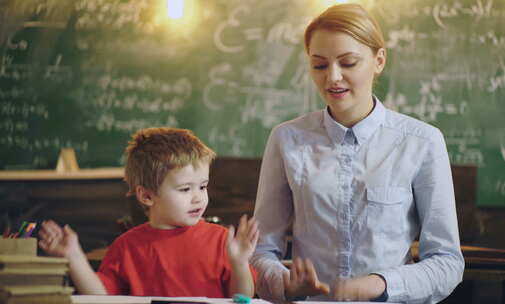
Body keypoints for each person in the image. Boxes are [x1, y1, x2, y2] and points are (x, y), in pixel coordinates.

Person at [250, 3, 464, 304]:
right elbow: (260, 250)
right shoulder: (287, 139)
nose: (332, 78)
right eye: (320, 65)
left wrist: (380, 284)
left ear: (379, 60)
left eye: (348, 63)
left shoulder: (422, 142)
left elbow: (447, 262)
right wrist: (285, 285)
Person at [39, 127, 259, 297]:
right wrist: (74, 257)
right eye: (185, 189)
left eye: (202, 186)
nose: (198, 197)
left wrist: (239, 263)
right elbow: (101, 297)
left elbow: (242, 296)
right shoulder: (126, 247)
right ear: (146, 196)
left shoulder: (221, 240)